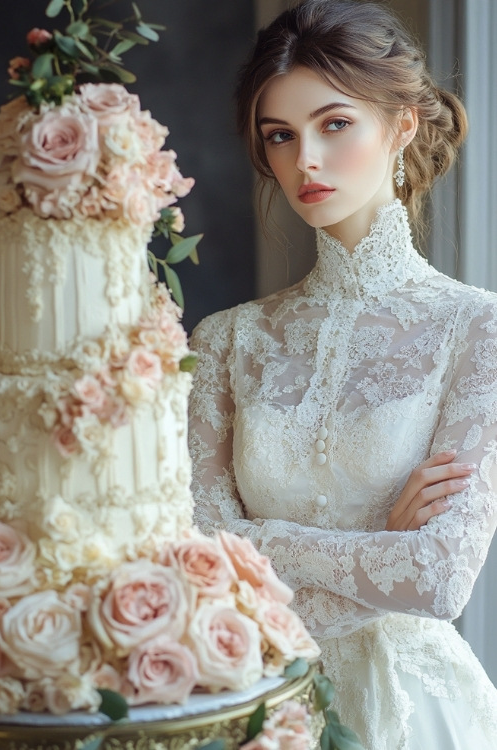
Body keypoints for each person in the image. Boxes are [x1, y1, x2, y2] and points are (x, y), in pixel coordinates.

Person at [188, 1, 497, 747]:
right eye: (281, 137)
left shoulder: (477, 329)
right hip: (250, 703)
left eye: (334, 124)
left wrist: (258, 538)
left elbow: (437, 578)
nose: (305, 162)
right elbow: (196, 561)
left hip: (415, 713)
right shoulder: (227, 341)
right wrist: (377, 545)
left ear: (401, 126)